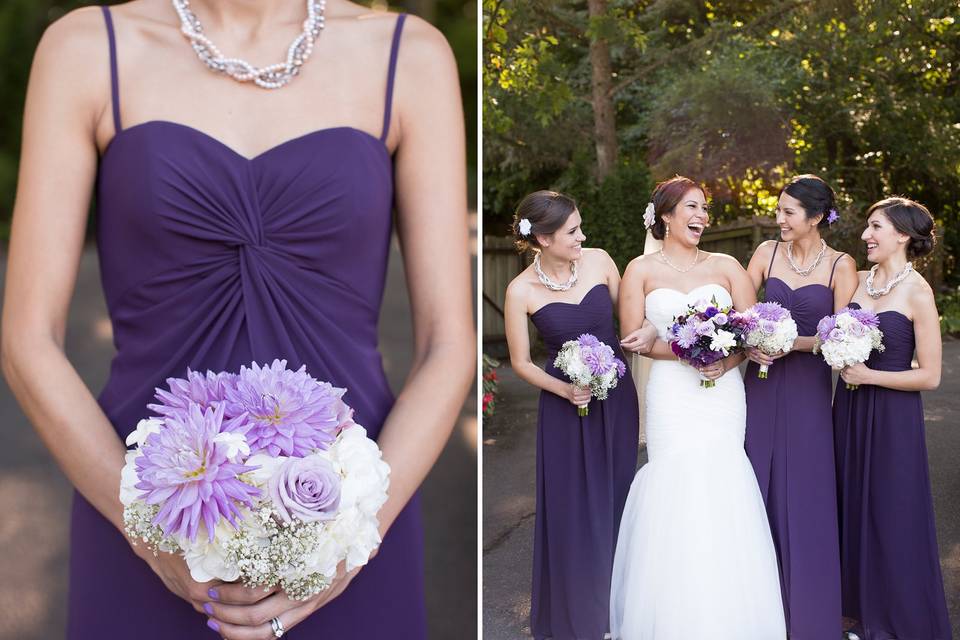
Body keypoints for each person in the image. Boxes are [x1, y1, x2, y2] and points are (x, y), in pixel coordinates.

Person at [1, 1, 474, 637]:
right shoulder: (88, 47)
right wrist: (149, 533)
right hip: (134, 510)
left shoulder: (408, 55)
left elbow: (448, 344)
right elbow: (27, 340)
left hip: (352, 527)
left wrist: (352, 537)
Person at [610, 175, 785, 639]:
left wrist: (723, 360)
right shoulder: (639, 271)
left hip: (722, 393)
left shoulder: (727, 265)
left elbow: (751, 332)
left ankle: (732, 618)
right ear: (665, 216)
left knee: (724, 479)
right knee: (676, 483)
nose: (702, 216)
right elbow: (633, 339)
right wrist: (689, 349)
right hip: (671, 395)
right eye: (692, 207)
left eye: (705, 209)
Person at [503, 190, 638, 640]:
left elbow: (631, 321)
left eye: (580, 227)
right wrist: (565, 388)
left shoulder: (600, 261)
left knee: (618, 496)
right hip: (567, 409)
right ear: (541, 238)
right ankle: (580, 615)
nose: (583, 236)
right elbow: (521, 362)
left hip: (617, 399)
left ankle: (621, 609)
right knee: (574, 509)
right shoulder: (520, 290)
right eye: (572, 231)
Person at [742, 174, 857, 637]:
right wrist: (750, 344)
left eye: (789, 212)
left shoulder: (841, 266)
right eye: (779, 210)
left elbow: (844, 339)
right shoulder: (764, 254)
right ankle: (754, 610)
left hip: (809, 389)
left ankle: (809, 613)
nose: (779, 219)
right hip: (761, 386)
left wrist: (791, 342)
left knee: (806, 492)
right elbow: (739, 314)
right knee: (754, 483)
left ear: (815, 217)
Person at [833, 197, 951, 640]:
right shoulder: (859, 282)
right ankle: (855, 611)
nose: (866, 235)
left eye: (875, 226)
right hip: (848, 408)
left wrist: (869, 375)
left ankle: (896, 615)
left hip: (892, 417)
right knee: (851, 502)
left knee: (892, 511)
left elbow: (932, 375)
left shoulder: (918, 292)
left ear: (901, 234)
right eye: (867, 226)